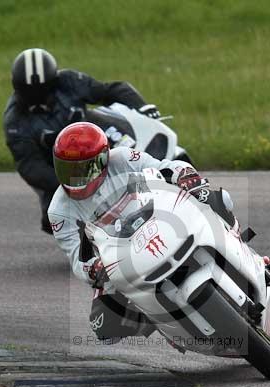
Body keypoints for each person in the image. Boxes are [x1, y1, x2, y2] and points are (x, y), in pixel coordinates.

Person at [47, 122, 220, 342]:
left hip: (158, 219)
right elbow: (75, 256)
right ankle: (158, 318)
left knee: (214, 198)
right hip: (117, 257)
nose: (75, 178)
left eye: (83, 169)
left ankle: (238, 240)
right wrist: (92, 269)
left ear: (103, 160)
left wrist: (184, 175)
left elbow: (163, 166)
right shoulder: (59, 211)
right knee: (105, 327)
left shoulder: (123, 158)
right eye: (67, 170)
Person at [3, 48, 162, 233]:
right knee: (52, 218)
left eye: (44, 92)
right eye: (30, 94)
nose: (38, 101)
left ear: (54, 82)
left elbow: (109, 90)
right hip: (63, 168)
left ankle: (169, 180)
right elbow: (30, 166)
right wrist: (73, 184)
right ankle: (97, 246)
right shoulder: (14, 121)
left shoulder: (69, 81)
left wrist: (141, 106)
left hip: (99, 136)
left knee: (140, 152)